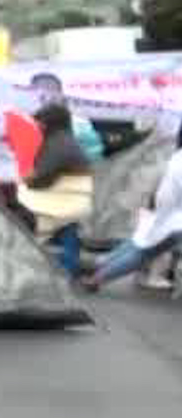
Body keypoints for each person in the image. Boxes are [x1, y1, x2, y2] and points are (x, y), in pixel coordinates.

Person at [83, 123, 182, 292]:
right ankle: (98, 277)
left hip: (165, 209)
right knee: (144, 251)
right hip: (174, 217)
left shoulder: (177, 155)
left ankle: (100, 264)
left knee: (139, 242)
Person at [24, 103, 94, 275]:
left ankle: (66, 266)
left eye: (40, 122)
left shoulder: (58, 144)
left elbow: (40, 176)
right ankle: (69, 264)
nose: (37, 125)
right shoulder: (62, 139)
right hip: (70, 196)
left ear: (49, 123)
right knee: (67, 229)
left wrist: (23, 178)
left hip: (62, 197)